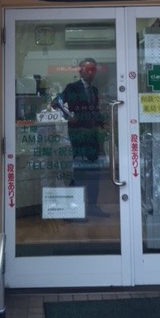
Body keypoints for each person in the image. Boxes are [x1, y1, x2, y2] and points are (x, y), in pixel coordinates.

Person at [52, 58, 110, 218]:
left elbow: (94, 111)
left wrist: (103, 122)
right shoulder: (72, 88)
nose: (90, 73)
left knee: (95, 173)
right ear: (80, 71)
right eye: (87, 69)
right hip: (78, 135)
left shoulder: (94, 90)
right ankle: (72, 210)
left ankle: (92, 207)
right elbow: (56, 102)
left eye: (93, 70)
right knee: (79, 172)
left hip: (94, 136)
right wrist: (68, 115)